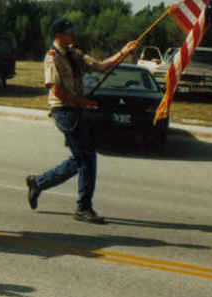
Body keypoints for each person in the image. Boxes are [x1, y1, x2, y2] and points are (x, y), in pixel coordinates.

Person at [25, 17, 138, 223]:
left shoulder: (74, 54)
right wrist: (82, 102)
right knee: (86, 157)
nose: (73, 35)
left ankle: (39, 183)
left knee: (81, 158)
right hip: (65, 111)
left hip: (76, 110)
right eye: (69, 32)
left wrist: (124, 52)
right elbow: (56, 90)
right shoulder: (53, 57)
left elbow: (101, 66)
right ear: (59, 35)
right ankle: (83, 207)